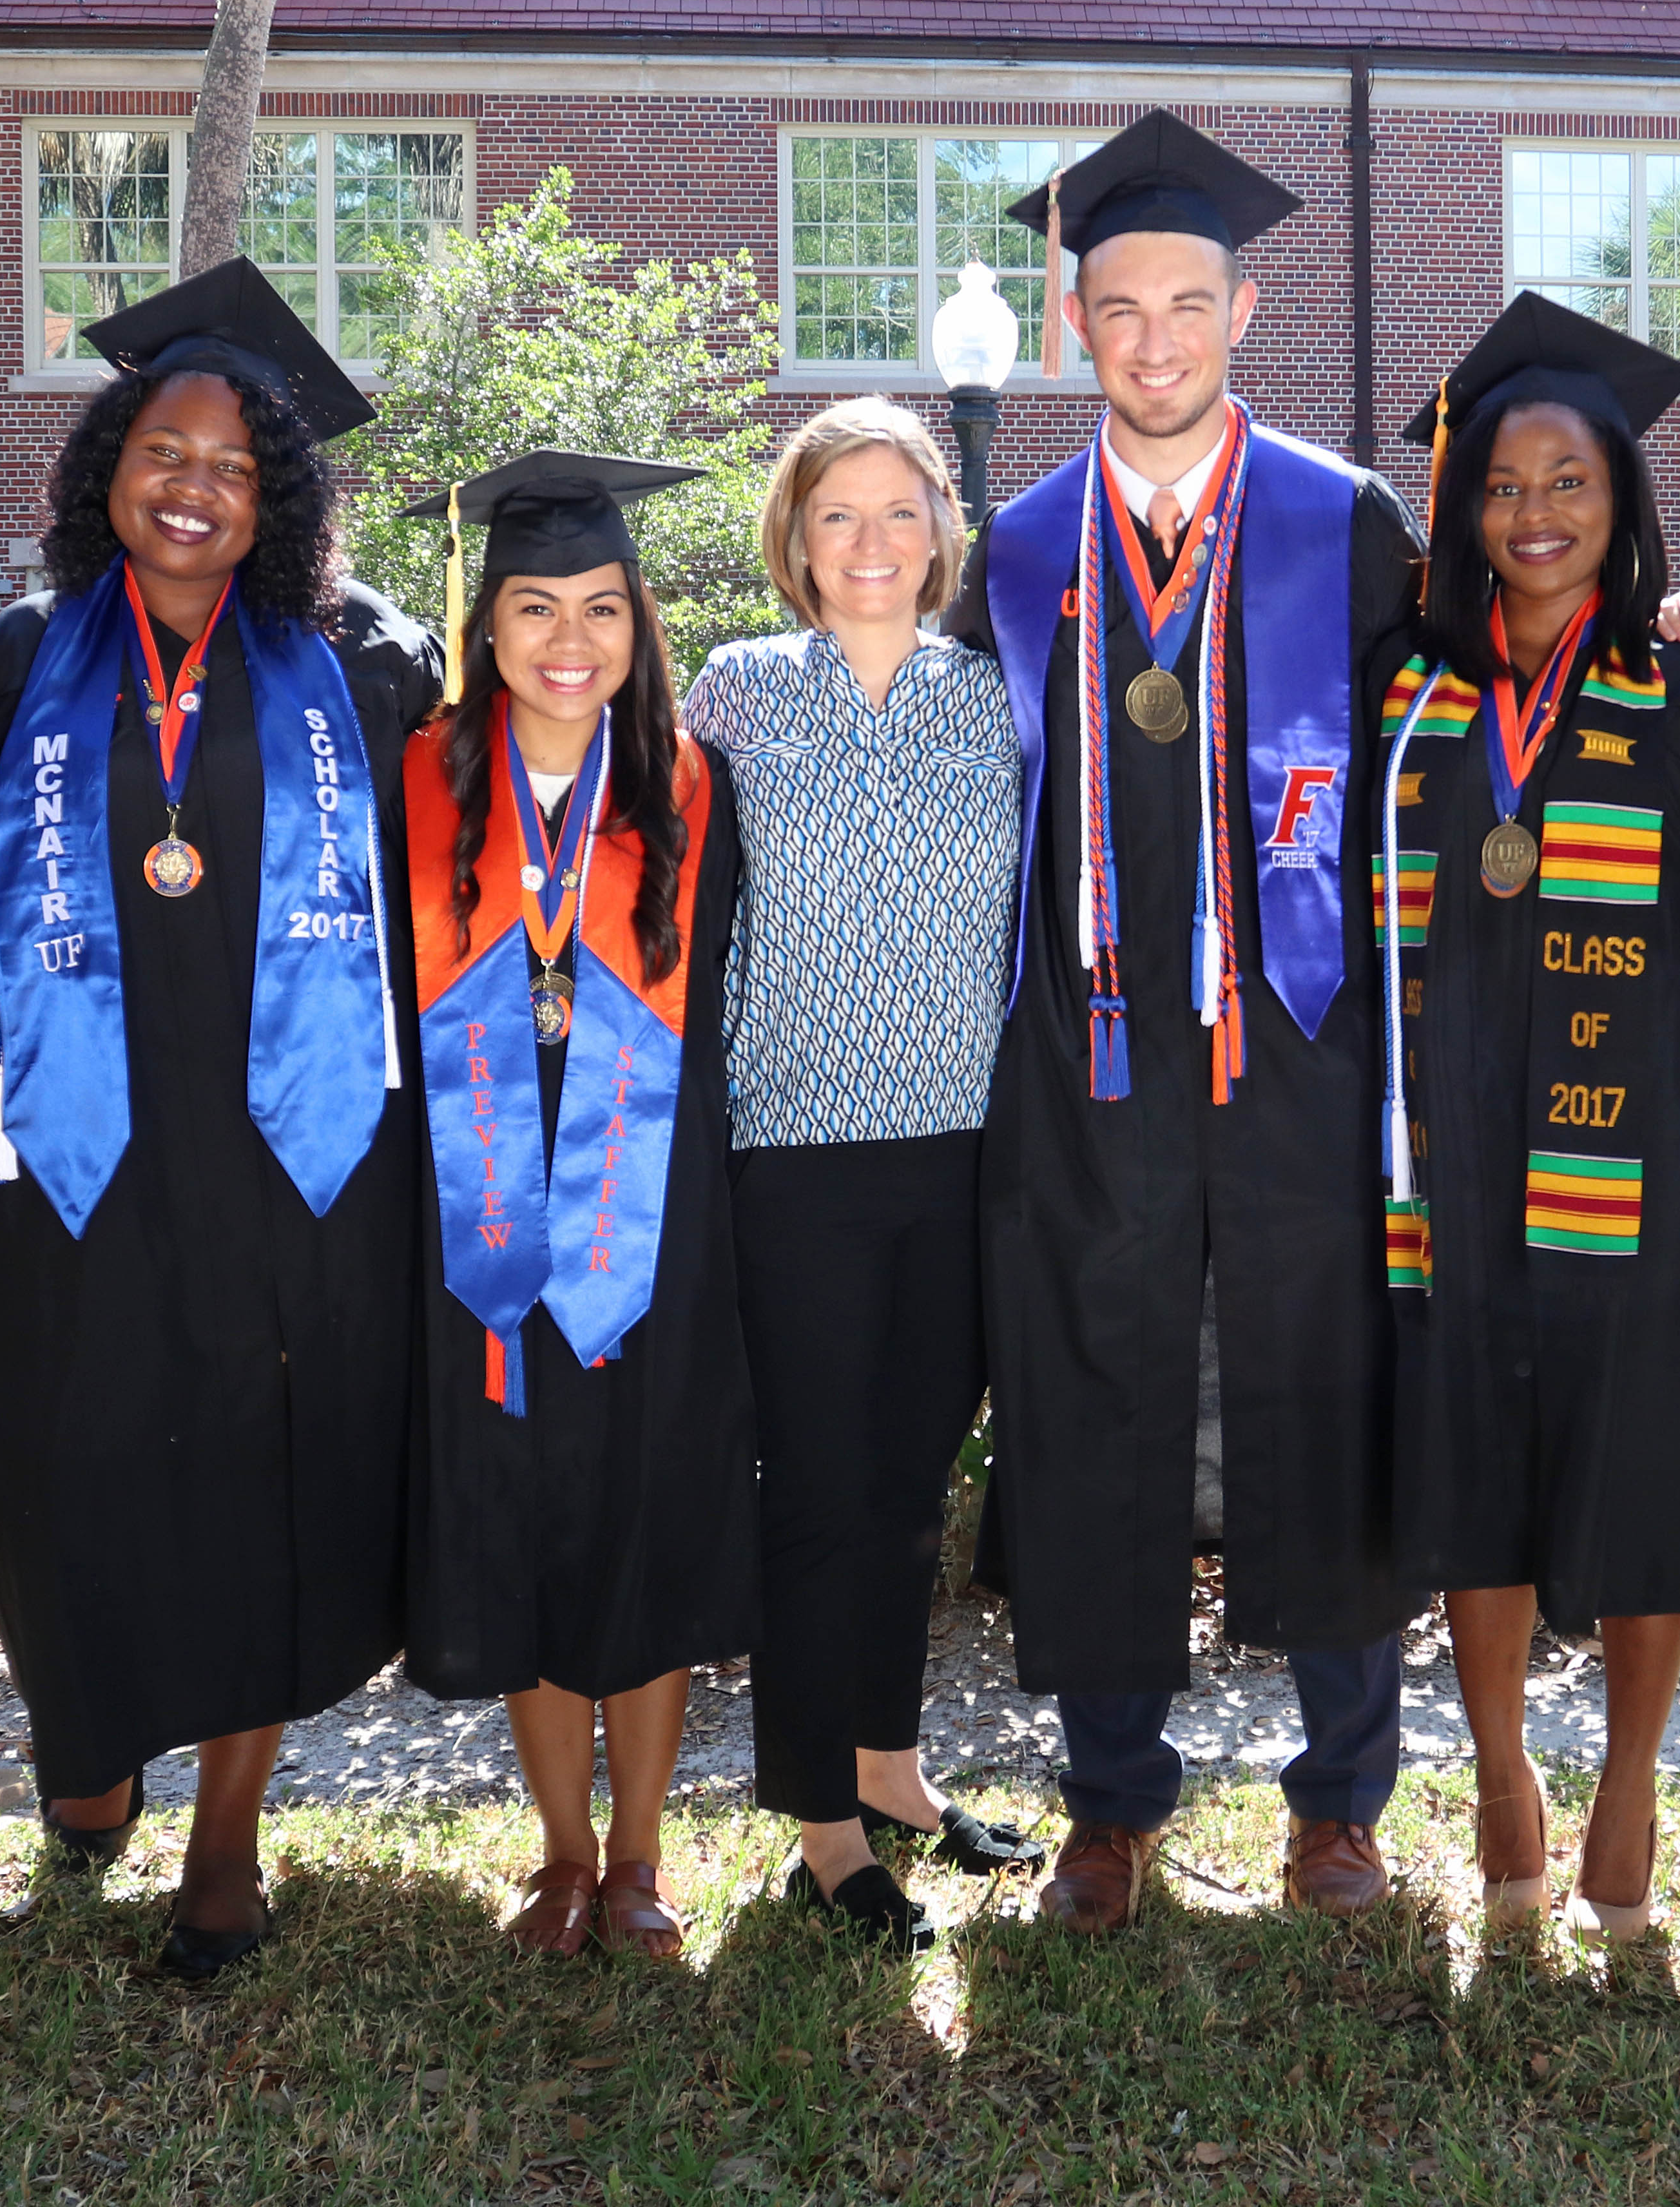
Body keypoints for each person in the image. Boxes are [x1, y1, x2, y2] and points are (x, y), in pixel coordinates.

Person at [945, 110, 1423, 1932]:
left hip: (1303, 1050)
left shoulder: (1342, 523)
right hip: (1089, 1055)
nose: (1153, 339)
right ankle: (1110, 1797)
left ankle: (1338, 1804)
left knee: (1323, 1394)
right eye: (1118, 306)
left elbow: (1415, 781)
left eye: (1188, 303)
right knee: (1093, 1391)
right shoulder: (1013, 551)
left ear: (1246, 311)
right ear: (1072, 326)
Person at [0, 261, 445, 1980]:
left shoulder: (367, 664)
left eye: (237, 465)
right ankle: (89, 1734)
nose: (194, 485)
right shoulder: (16, 658)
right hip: (74, 1155)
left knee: (266, 1476)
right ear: (107, 462)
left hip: (291, 1158)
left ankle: (228, 1834)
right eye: (163, 447)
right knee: (74, 1452)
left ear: (281, 495)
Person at [1370, 296, 1680, 1941]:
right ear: (1466, 508)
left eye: (1570, 484)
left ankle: (1630, 1776)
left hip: (1638, 1153)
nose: (1534, 514)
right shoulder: (1406, 684)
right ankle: (1504, 1768)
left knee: (1642, 1468)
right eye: (1505, 486)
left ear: (1623, 502)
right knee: (1476, 1465)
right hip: (1448, 1152)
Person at [680, 401, 1041, 1956]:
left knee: (904, 1492)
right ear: (795, 537)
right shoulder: (735, 696)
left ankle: (890, 1770)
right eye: (840, 514)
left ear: (942, 534)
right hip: (794, 1152)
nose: (872, 543)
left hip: (967, 1151)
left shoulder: (999, 698)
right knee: (821, 1491)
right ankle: (822, 1829)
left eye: (902, 512)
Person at [398, 450, 755, 1961]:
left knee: (645, 1511)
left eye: (601, 606)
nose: (568, 638)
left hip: (653, 1199)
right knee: (521, 1514)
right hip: (472, 1206)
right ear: (484, 625)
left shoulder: (691, 788)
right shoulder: (419, 778)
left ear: (640, 621)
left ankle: (643, 1855)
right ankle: (557, 1851)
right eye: (534, 604)